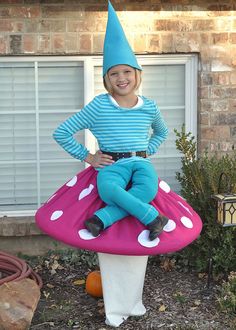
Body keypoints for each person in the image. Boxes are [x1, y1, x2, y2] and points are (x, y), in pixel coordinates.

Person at [53, 1, 169, 241]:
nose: (121, 78)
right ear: (107, 78)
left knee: (147, 189)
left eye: (127, 71)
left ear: (136, 74)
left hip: (141, 162)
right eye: (114, 73)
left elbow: (161, 132)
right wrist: (89, 157)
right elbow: (62, 132)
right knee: (108, 190)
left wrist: (149, 149)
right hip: (111, 164)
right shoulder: (99, 105)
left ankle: (102, 219)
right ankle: (153, 217)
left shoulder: (149, 106)